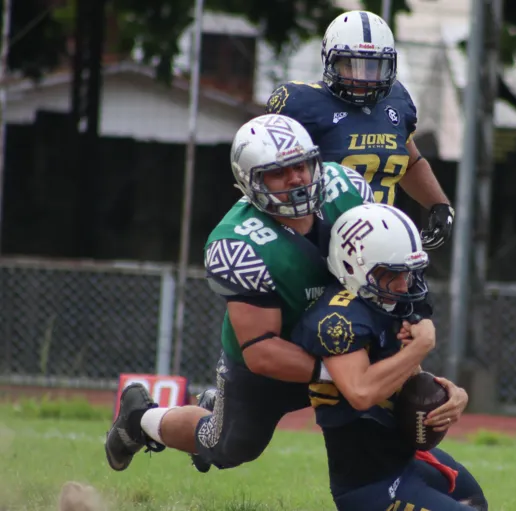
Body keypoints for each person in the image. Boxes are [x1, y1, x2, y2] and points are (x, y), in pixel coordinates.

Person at [104, 113, 376, 472]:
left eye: (301, 165)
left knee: (408, 398)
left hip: (342, 333)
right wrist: (338, 375)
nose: (296, 178)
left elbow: (390, 270)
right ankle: (140, 419)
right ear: (251, 181)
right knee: (228, 447)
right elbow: (262, 351)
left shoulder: (349, 190)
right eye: (279, 172)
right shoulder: (237, 244)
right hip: (270, 358)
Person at [291, 203, 488, 510]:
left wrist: (451, 393)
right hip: (371, 485)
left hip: (403, 459)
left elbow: (407, 376)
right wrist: (420, 346)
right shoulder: (338, 318)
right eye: (391, 274)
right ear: (353, 266)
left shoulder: (383, 301)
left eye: (407, 273)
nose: (402, 285)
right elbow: (361, 392)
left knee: (474, 501)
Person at [265, 10, 455, 251]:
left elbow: (411, 163)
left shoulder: (396, 101)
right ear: (330, 61)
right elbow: (266, 173)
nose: (363, 77)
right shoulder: (302, 105)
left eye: (373, 66)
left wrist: (439, 205)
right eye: (351, 65)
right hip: (321, 246)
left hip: (383, 246)